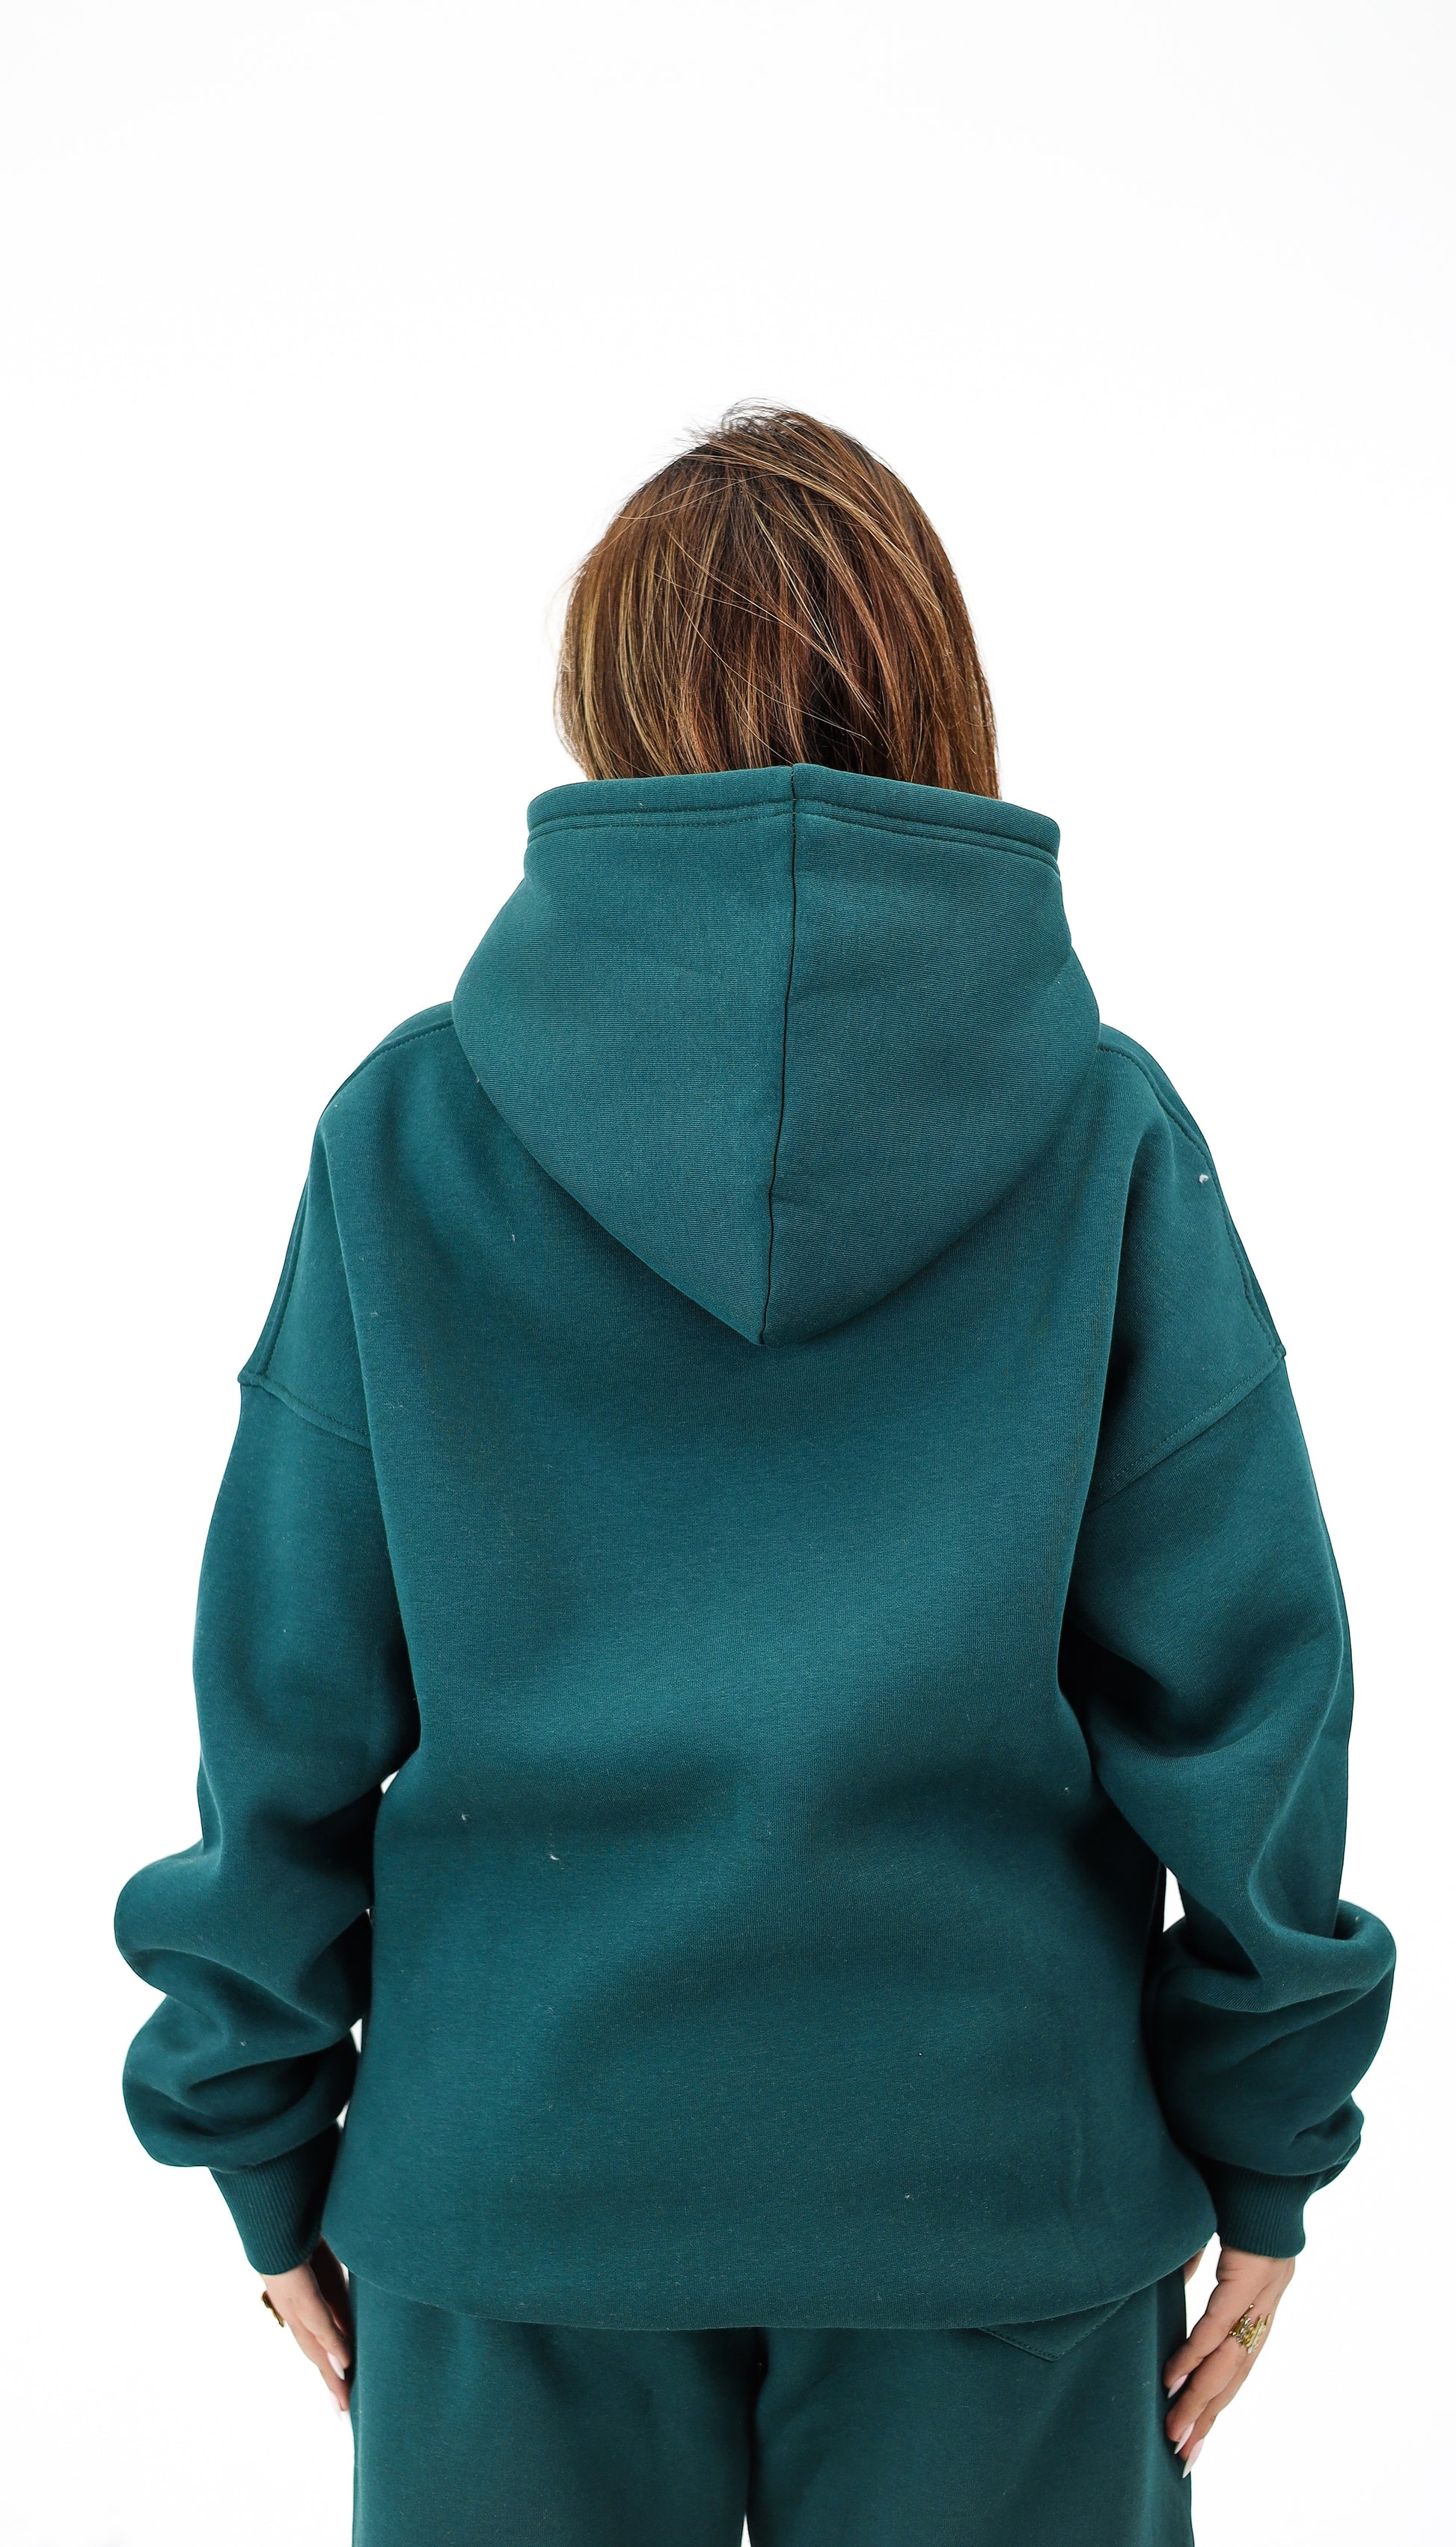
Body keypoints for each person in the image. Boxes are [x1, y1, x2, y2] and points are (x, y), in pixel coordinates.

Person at [115, 406, 1394, 2546]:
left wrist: (257, 2137)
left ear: (603, 704)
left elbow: (285, 1703)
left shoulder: (408, 1136)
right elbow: (1248, 1699)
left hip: (515, 2191)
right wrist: (1268, 2142)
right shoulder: (1100, 1130)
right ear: (937, 684)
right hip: (998, 2200)